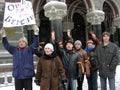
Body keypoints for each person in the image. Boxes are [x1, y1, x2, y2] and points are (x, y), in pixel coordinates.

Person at [1, 25, 39, 90]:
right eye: (20, 42)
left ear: (26, 43)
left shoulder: (29, 50)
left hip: (27, 76)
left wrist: (36, 34)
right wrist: (4, 36)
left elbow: (36, 44)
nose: (21, 43)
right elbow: (6, 45)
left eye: (23, 42)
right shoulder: (14, 50)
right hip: (18, 76)